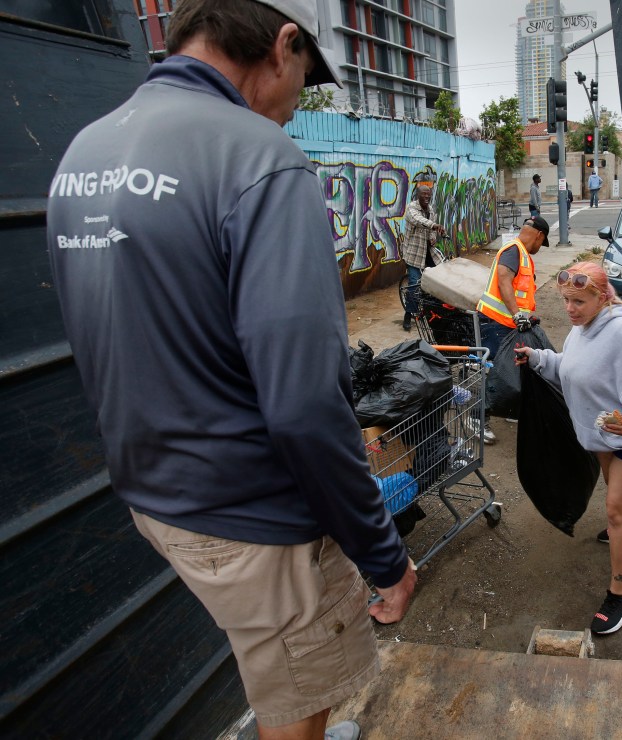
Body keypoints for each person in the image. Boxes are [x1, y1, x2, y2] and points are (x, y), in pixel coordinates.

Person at [45, 1, 416, 738]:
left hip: (156, 497)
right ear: (282, 44)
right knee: (298, 697)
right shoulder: (259, 157)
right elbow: (307, 405)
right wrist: (384, 556)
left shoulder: (84, 150)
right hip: (253, 517)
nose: (293, 110)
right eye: (305, 83)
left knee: (268, 659)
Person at [514, 262, 622, 636]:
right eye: (566, 301)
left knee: (614, 511)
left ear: (603, 296)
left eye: (579, 301)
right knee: (621, 504)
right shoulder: (583, 328)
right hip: (604, 432)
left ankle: (620, 594)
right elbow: (575, 367)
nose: (570, 309)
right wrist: (541, 359)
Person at [474, 216, 550, 444]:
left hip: (508, 324)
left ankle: (508, 408)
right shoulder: (514, 250)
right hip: (496, 322)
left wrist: (523, 316)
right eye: (542, 243)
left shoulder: (522, 254)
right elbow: (504, 280)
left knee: (514, 369)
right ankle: (476, 418)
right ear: (539, 235)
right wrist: (518, 314)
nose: (539, 248)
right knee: (495, 371)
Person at [402, 184, 447, 331]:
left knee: (438, 278)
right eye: (424, 195)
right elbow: (419, 221)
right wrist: (434, 226)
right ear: (417, 195)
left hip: (428, 251)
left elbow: (432, 231)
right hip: (414, 253)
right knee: (414, 284)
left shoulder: (431, 209)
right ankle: (409, 314)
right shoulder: (411, 208)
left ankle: (436, 310)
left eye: (428, 195)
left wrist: (433, 237)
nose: (427, 197)